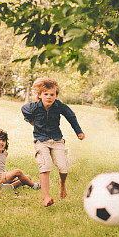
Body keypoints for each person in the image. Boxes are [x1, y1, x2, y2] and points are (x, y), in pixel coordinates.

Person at [21, 77, 85, 207]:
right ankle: (46, 197)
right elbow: (24, 109)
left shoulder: (58, 106)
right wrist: (31, 121)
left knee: (63, 167)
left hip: (57, 140)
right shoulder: (34, 107)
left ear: (56, 95)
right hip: (41, 140)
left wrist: (79, 131)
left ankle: (62, 184)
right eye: (46, 94)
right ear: (39, 95)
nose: (49, 97)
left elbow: (71, 116)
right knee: (45, 166)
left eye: (52, 94)